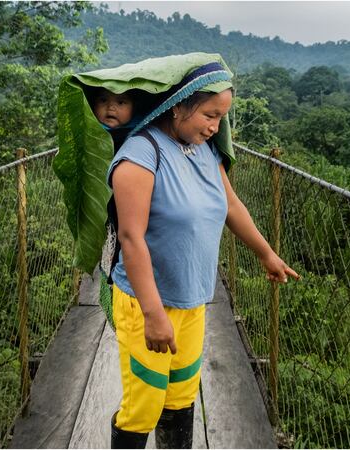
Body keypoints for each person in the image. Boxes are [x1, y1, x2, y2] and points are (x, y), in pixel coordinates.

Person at [106, 62, 299, 449]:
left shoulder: (204, 150)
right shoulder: (140, 156)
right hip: (146, 302)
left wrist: (266, 254)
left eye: (221, 118)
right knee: (143, 407)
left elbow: (230, 204)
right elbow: (131, 238)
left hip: (193, 300)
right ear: (178, 106)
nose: (215, 127)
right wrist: (153, 313)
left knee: (180, 397)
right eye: (210, 116)